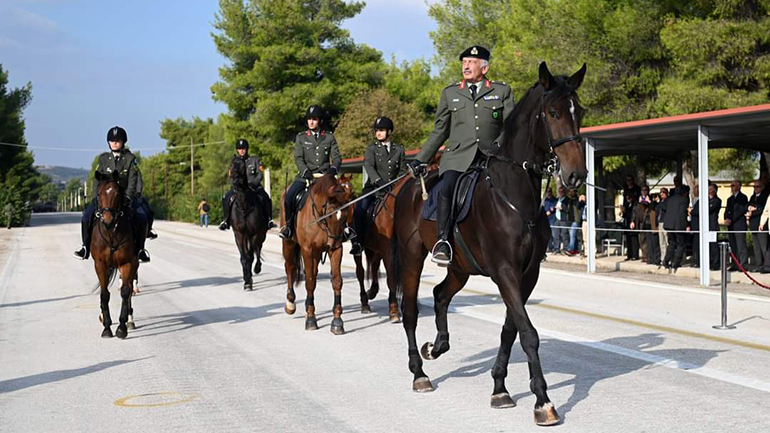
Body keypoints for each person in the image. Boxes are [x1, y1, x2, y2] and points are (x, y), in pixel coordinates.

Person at [406, 45, 514, 266]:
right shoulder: (451, 93)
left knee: (515, 186)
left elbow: (511, 126)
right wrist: (421, 159)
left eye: (471, 62)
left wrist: (498, 145)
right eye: (464, 62)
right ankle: (443, 241)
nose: (466, 66)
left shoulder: (501, 91)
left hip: (492, 156)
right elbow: (440, 130)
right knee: (447, 188)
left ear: (484, 68)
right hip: (457, 157)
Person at [73, 126, 151, 262]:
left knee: (142, 217)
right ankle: (85, 247)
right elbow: (97, 180)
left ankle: (140, 250)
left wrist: (128, 197)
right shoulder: (103, 159)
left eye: (118, 140)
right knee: (86, 217)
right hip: (104, 199)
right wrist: (96, 198)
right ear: (108, 142)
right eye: (112, 140)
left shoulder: (130, 159)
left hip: (125, 198)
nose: (115, 143)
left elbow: (133, 180)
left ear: (123, 142)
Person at [280, 105, 343, 240]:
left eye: (314, 119)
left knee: (343, 196)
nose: (311, 122)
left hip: (325, 178)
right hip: (305, 177)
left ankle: (347, 229)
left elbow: (337, 158)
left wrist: (333, 169)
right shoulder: (301, 137)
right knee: (289, 197)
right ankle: (289, 228)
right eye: (309, 119)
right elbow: (298, 158)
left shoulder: (329, 137)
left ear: (320, 121)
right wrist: (305, 171)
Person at [349, 116, 406, 256]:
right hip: (373, 188)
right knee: (360, 210)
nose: (378, 133)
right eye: (377, 130)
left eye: (381, 130)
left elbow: (402, 171)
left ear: (389, 132)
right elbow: (369, 166)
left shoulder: (399, 150)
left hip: (393, 189)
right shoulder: (371, 149)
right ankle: (358, 242)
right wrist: (379, 181)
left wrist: (396, 186)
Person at [219, 139, 276, 231]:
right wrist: (236, 183)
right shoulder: (234, 161)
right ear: (237, 150)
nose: (241, 151)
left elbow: (260, 174)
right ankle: (226, 220)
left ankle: (269, 220)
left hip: (254, 187)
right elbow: (231, 175)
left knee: (265, 197)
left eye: (243, 148)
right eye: (239, 149)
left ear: (247, 149)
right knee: (227, 197)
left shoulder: (255, 160)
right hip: (239, 188)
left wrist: (253, 183)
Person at [662, 185, 690, 272]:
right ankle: (675, 263)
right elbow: (682, 213)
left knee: (671, 243)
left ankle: (666, 260)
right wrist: (686, 225)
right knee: (680, 244)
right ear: (685, 193)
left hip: (669, 225)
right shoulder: (684, 200)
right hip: (678, 225)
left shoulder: (670, 199)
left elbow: (664, 207)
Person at [724, 180, 748, 271]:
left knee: (741, 245)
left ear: (739, 186)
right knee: (733, 246)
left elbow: (741, 210)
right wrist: (726, 218)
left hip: (739, 225)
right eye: (731, 185)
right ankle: (735, 264)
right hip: (731, 226)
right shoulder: (729, 199)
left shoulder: (743, 197)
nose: (732, 187)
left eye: (734, 185)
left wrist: (731, 219)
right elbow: (727, 210)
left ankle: (743, 264)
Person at [746, 180, 769, 271]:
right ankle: (759, 265)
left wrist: (753, 211)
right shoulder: (753, 197)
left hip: (761, 225)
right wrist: (749, 209)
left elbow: (764, 210)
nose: (755, 188)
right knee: (756, 247)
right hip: (753, 224)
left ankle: (767, 265)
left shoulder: (765, 197)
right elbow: (747, 206)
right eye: (754, 187)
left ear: (762, 187)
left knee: (764, 247)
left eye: (757, 186)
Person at [623, 193, 639, 261]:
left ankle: (635, 255)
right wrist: (623, 211)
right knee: (628, 240)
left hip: (632, 223)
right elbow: (625, 215)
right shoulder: (627, 205)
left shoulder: (634, 205)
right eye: (627, 199)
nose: (628, 200)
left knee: (634, 240)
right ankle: (629, 254)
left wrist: (633, 221)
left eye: (629, 198)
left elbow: (633, 214)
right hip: (627, 223)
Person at [543, 188, 558, 253]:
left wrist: (550, 211)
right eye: (547, 192)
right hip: (546, 219)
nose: (548, 193)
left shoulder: (554, 200)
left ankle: (556, 248)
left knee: (554, 234)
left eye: (549, 191)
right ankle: (549, 247)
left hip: (552, 219)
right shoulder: (545, 200)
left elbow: (553, 208)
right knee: (547, 234)